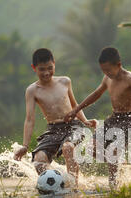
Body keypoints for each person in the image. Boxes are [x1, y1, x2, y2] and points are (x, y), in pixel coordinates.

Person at [63, 47, 131, 188]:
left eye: (109, 70)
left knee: (114, 150)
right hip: (113, 118)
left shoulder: (128, 78)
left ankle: (113, 184)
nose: (107, 73)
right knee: (91, 148)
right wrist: (77, 109)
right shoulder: (107, 78)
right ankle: (119, 164)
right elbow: (96, 94)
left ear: (119, 65)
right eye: (104, 70)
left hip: (128, 119)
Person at [13, 48, 97, 187]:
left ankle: (73, 188)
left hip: (73, 126)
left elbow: (74, 104)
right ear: (34, 68)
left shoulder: (65, 82)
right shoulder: (32, 90)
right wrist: (25, 145)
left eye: (49, 68)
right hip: (53, 129)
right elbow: (29, 119)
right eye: (41, 69)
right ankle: (56, 185)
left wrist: (85, 121)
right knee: (39, 161)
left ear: (54, 64)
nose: (46, 73)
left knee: (68, 147)